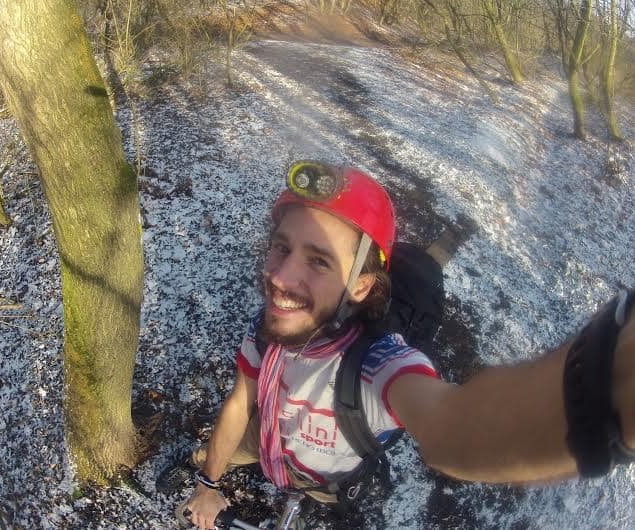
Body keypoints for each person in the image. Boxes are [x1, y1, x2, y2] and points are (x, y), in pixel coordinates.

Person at [180, 160, 635, 530]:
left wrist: (605, 391)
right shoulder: (270, 326)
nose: (278, 279)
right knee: (223, 450)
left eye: (319, 261)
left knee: (428, 264)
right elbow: (241, 402)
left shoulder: (374, 366)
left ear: (360, 286)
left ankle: (449, 241)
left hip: (321, 479)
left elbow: (453, 427)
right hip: (265, 442)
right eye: (282, 248)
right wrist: (207, 481)